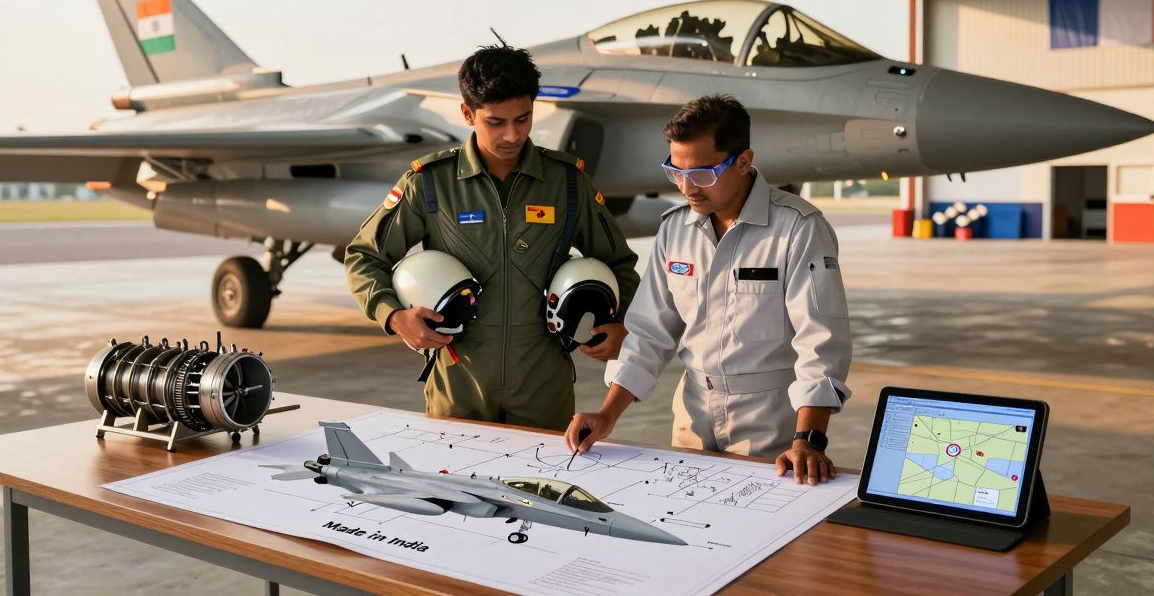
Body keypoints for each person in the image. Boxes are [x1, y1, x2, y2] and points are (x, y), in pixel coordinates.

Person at [345, 45, 640, 431]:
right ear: (467, 114)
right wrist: (394, 316)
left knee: (542, 488)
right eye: (495, 122)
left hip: (542, 384)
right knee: (454, 487)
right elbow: (364, 257)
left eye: (523, 118)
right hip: (458, 382)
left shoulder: (567, 184)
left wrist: (619, 323)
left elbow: (620, 265)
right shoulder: (431, 183)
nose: (512, 135)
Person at [563, 94, 851, 484]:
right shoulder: (675, 229)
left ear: (744, 161)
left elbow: (820, 341)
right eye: (675, 172)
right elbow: (649, 332)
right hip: (692, 416)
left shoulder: (798, 229)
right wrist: (607, 413)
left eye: (701, 174)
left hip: (771, 424)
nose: (687, 187)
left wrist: (808, 440)